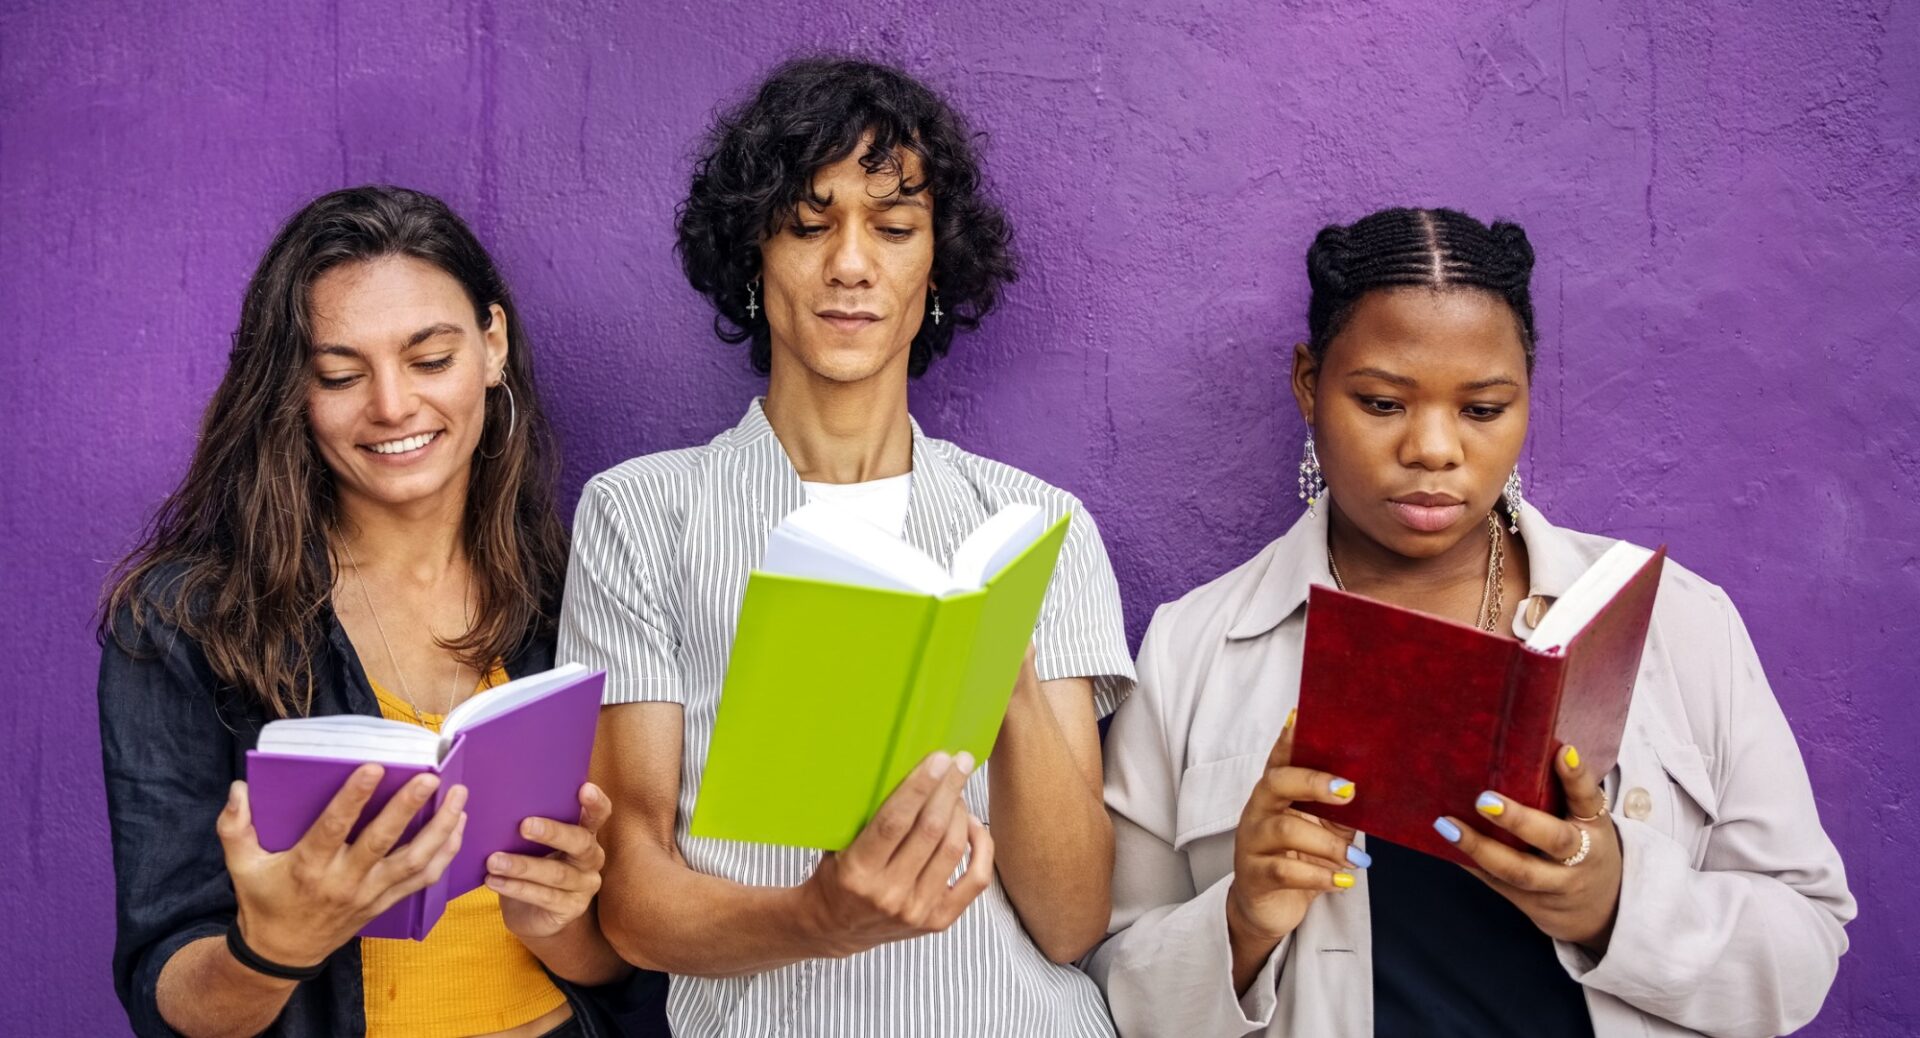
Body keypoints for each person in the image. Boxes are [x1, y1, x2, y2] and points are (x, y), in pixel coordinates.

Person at [1088, 207, 1855, 1037]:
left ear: (1527, 391)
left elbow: (1806, 946)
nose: (1434, 448)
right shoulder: (1195, 647)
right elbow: (1115, 989)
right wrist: (1242, 921)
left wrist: (1616, 906)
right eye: (1382, 402)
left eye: (1483, 409)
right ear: (1309, 384)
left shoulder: (1676, 622)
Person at [564, 57, 1135, 1034]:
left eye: (894, 227)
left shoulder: (1041, 526)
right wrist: (819, 920)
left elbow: (1075, 923)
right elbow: (635, 904)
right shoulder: (642, 514)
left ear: (936, 264)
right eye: (808, 224)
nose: (852, 265)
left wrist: (1004, 668)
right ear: (755, 252)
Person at [98, 186, 660, 1037]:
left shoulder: (580, 587)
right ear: (294, 389)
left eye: (430, 359)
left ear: (493, 345)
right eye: (340, 374)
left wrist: (560, 922)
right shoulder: (185, 623)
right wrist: (276, 945)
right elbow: (170, 1000)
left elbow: (621, 968)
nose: (393, 405)